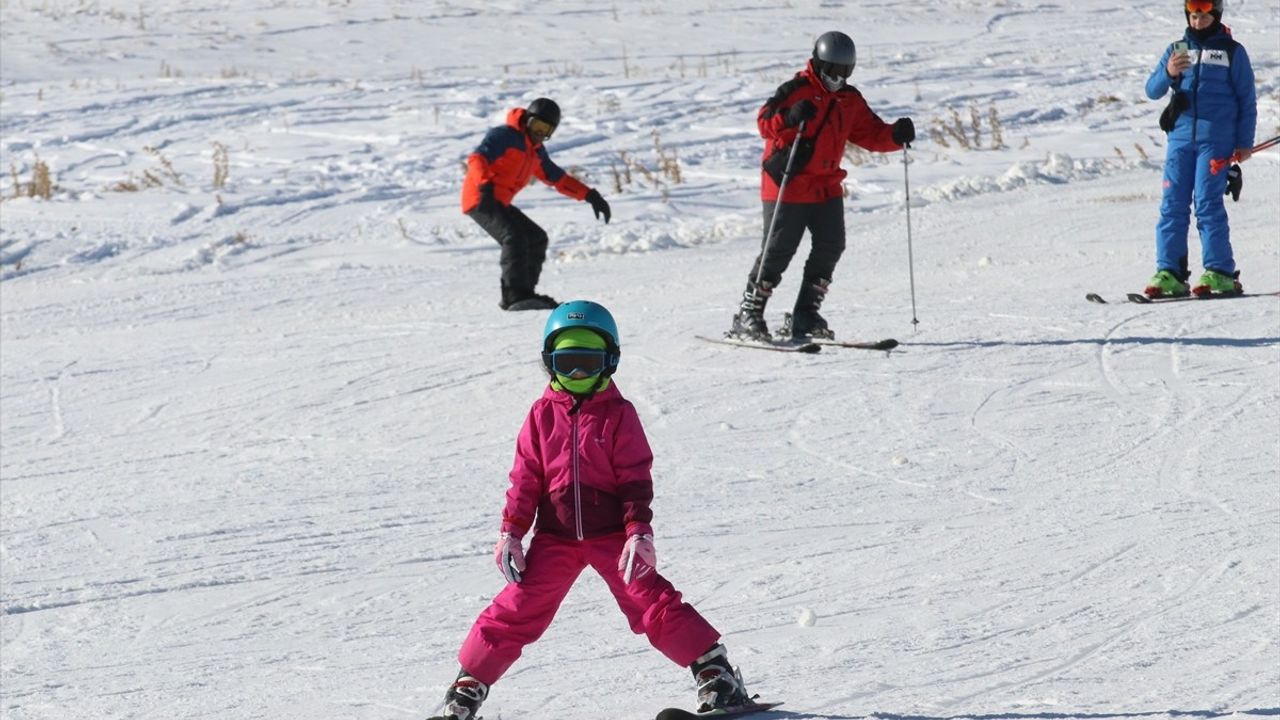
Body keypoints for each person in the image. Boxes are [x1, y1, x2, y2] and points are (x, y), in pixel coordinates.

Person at [428, 300, 752, 720]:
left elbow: (636, 477)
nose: (578, 374)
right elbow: (525, 479)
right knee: (514, 609)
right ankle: (467, 688)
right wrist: (511, 530)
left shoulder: (619, 415)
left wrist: (638, 531)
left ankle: (716, 674)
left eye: (589, 363)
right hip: (555, 538)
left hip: (612, 537)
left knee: (652, 602)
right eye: (567, 364)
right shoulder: (541, 415)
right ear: (550, 363)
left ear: (610, 362)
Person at [729, 31, 915, 341]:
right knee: (778, 251)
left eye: (845, 72)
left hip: (826, 187)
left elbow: (870, 133)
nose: (838, 78)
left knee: (831, 245)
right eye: (832, 71)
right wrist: (789, 116)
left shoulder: (849, 99)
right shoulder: (796, 89)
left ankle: (805, 314)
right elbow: (764, 121)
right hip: (787, 184)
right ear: (818, 64)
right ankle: (749, 314)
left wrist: (896, 136)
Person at [1143, 0, 1256, 298]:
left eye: (1203, 17)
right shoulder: (1177, 49)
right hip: (1179, 139)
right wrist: (1168, 73)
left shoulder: (1233, 51)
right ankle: (1171, 273)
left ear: (1215, 15)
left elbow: (1247, 99)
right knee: (1172, 205)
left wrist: (1245, 143)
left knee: (1207, 203)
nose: (1197, 23)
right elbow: (1152, 90)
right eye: (1193, 16)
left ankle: (1220, 272)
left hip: (1216, 140)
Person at [461, 98, 613, 311]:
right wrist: (484, 186)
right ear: (526, 120)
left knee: (536, 237)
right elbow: (477, 159)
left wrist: (590, 195)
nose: (539, 133)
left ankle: (526, 294)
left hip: (499, 201)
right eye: (537, 126)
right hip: (480, 198)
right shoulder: (505, 136)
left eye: (546, 130)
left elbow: (557, 178)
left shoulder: (535, 151)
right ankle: (512, 296)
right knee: (513, 237)